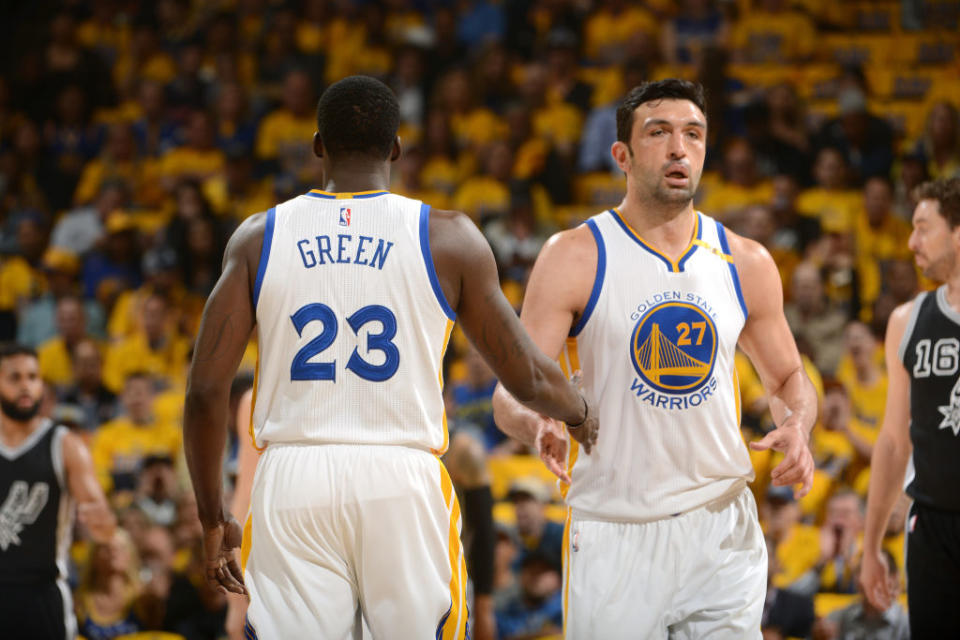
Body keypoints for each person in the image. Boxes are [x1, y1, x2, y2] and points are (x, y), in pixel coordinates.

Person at [183, 75, 596, 639]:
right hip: (400, 476)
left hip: (294, 479)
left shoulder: (259, 237)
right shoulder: (447, 236)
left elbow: (205, 393)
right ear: (396, 147)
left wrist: (212, 520)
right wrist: (578, 413)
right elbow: (525, 374)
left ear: (318, 146)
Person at [492, 79, 817, 638]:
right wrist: (535, 419)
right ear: (621, 154)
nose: (678, 148)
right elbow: (510, 391)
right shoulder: (574, 255)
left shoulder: (746, 261)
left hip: (722, 526)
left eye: (693, 134)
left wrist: (798, 423)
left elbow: (788, 375)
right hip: (615, 528)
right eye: (658, 133)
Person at [861, 176, 960, 635]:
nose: (910, 240)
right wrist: (871, 546)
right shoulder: (908, 320)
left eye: (923, 227)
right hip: (931, 527)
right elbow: (893, 443)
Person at [0, 342, 115, 639]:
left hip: (41, 593)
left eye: (33, 377)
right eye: (15, 378)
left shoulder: (65, 444)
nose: (26, 386)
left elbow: (104, 528)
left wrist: (101, 525)